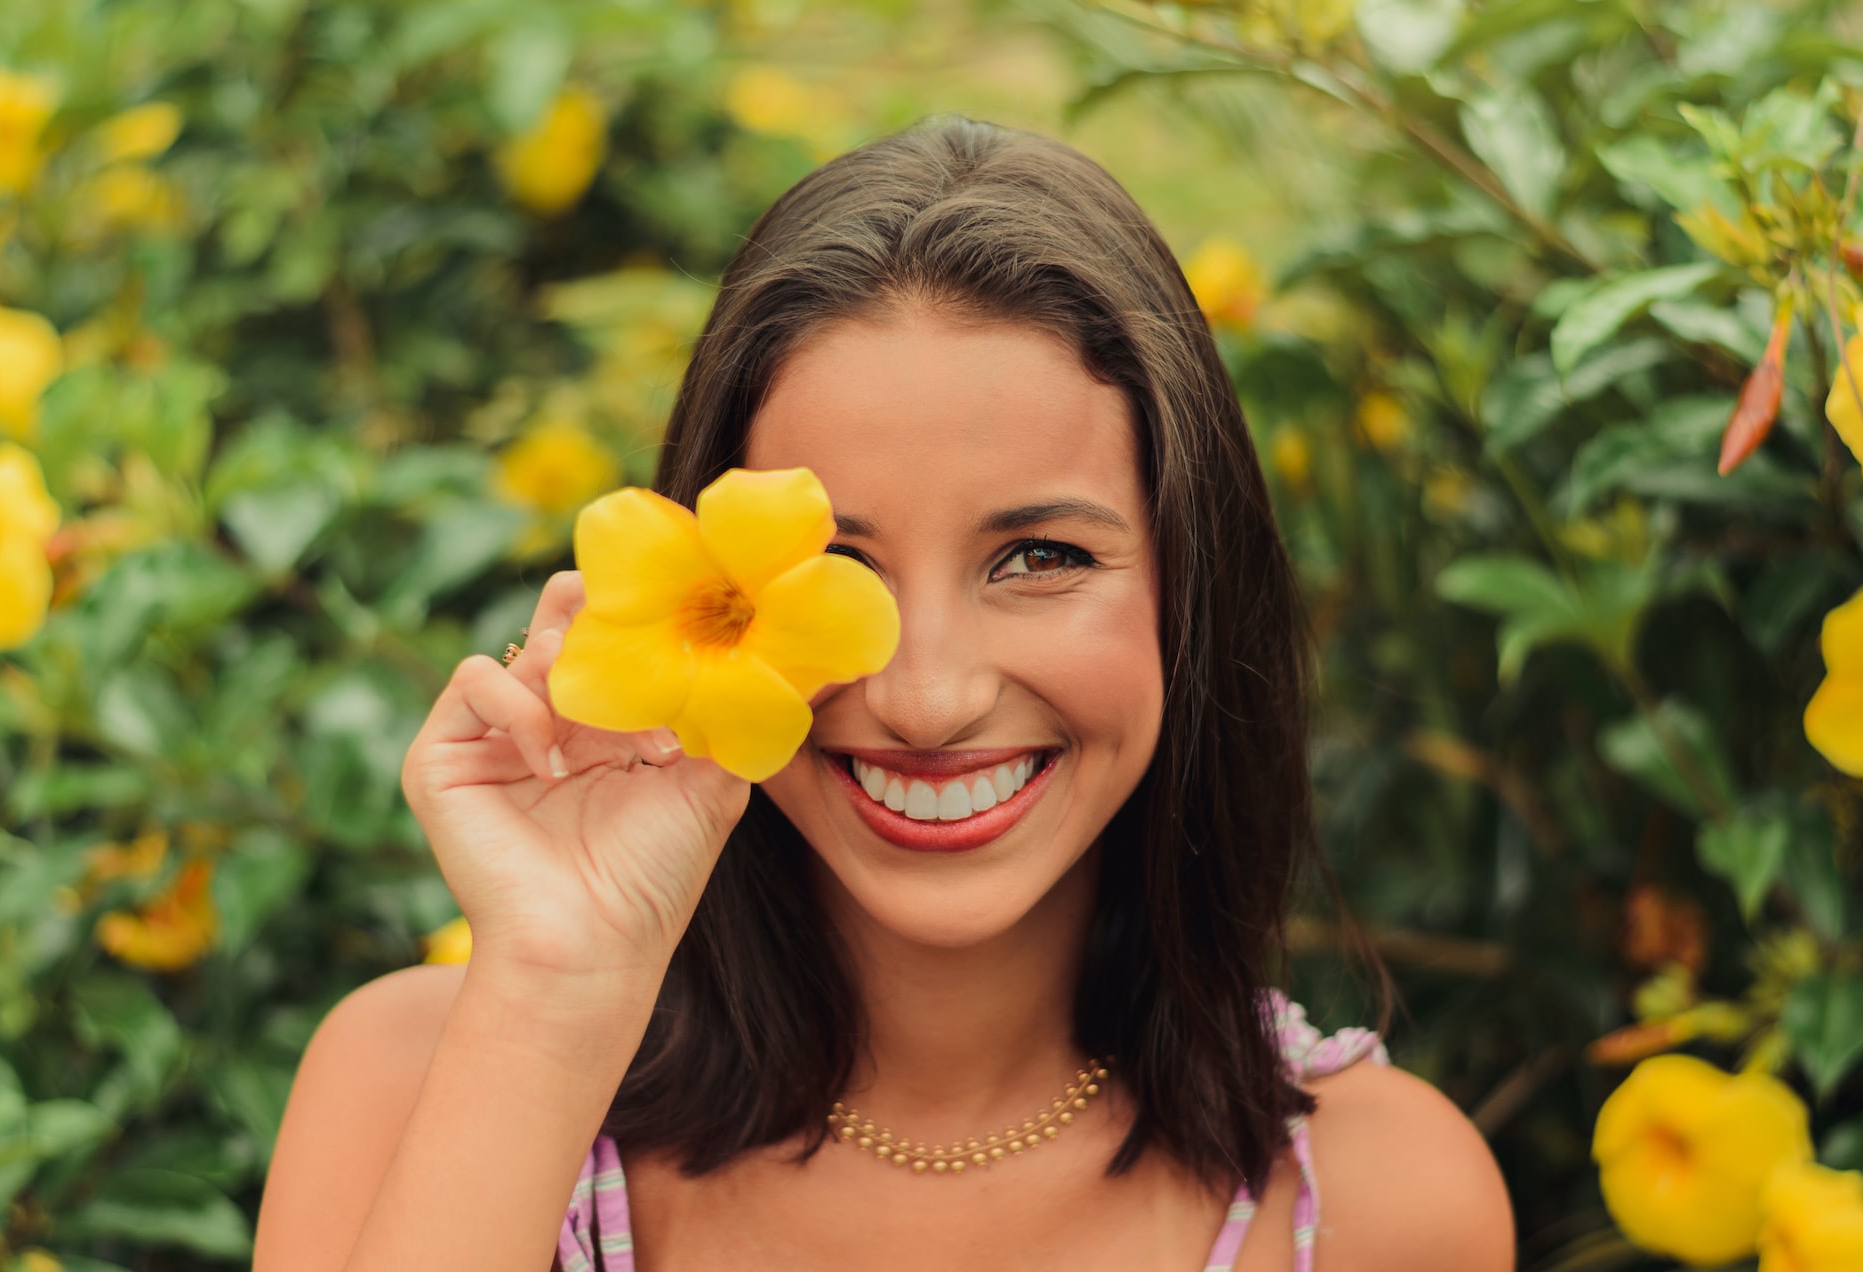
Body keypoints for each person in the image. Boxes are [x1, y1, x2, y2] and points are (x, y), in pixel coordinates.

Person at [254, 115, 1515, 1272]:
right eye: (836, 569)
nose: (925, 697)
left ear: (1194, 591)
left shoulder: (1378, 1201)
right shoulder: (418, 1083)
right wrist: (555, 990)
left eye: (1041, 559)